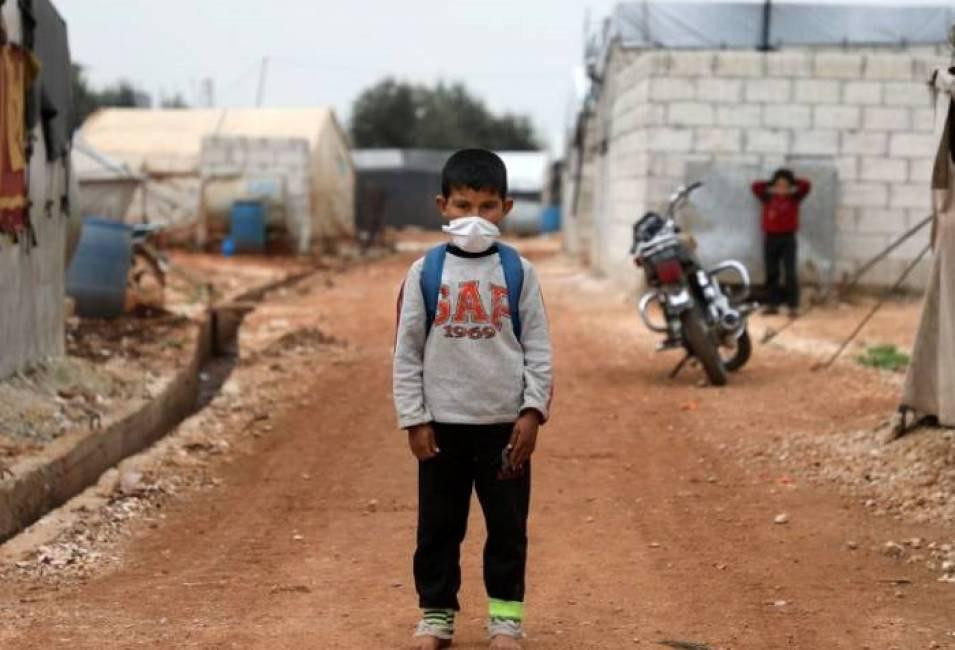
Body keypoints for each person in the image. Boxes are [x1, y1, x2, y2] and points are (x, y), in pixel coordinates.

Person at [393, 149, 553, 650]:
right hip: (442, 429)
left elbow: (538, 348)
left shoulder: (519, 271)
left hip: (505, 430)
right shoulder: (425, 272)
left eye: (487, 207)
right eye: (463, 205)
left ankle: (505, 620)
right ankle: (436, 615)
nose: (475, 217)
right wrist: (415, 419)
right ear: (443, 206)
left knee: (507, 528)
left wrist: (532, 411)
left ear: (506, 208)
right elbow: (406, 352)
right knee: (438, 528)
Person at [751, 168, 812, 316]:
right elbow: (755, 186)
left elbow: (806, 185)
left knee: (790, 273)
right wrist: (771, 184)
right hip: (770, 238)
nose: (781, 189)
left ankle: (792, 306)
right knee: (772, 272)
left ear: (790, 187)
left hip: (788, 239)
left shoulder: (794, 198)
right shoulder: (767, 198)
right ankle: (773, 304)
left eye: (785, 186)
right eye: (778, 185)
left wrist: (792, 183)